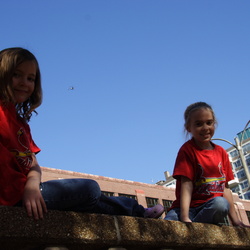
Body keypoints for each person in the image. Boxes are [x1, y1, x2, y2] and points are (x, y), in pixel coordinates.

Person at [0, 47, 164, 220]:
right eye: (17, 74)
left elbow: (33, 164)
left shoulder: (21, 125)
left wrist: (32, 184)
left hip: (30, 191)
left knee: (90, 199)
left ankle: (135, 212)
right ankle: (135, 210)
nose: (25, 82)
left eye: (30, 78)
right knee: (90, 189)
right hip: (13, 197)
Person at [165, 101, 249, 227]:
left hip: (210, 207)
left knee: (221, 204)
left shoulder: (221, 152)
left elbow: (225, 189)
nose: (205, 128)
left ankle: (197, 229)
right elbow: (186, 185)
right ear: (189, 128)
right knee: (166, 226)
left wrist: (235, 221)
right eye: (198, 124)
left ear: (214, 124)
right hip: (186, 209)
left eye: (209, 123)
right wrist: (185, 217)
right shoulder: (187, 150)